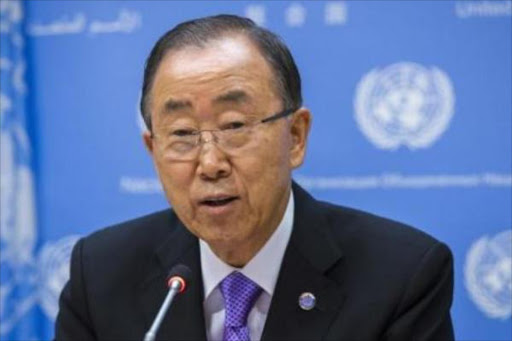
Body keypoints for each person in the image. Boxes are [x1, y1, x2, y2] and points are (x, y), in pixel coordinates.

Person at [55, 14, 454, 341]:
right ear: (152, 150)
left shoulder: (401, 276)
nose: (210, 163)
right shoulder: (101, 275)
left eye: (234, 126)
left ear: (295, 137)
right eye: (181, 134)